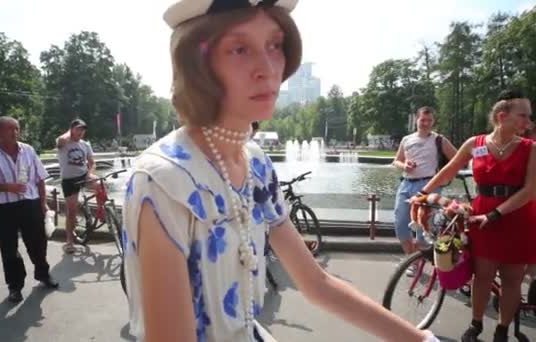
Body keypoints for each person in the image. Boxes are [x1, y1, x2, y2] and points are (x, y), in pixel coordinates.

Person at [121, 1, 439, 341]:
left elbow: (316, 283)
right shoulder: (163, 181)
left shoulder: (255, 161)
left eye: (275, 45)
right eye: (240, 48)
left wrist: (420, 339)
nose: (268, 68)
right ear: (198, 63)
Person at [413, 90, 536, 342]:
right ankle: (476, 324)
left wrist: (494, 214)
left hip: (517, 218)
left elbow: (530, 190)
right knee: (482, 277)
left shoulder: (530, 148)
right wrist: (423, 193)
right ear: (502, 117)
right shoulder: (475, 144)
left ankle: (501, 330)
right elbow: (449, 171)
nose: (529, 122)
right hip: (481, 216)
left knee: (512, 280)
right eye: (523, 116)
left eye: (529, 116)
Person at [0, 116, 58, 304]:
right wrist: (7, 187)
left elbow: (40, 178)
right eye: (10, 129)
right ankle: (15, 286)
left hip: (30, 204)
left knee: (38, 243)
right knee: (9, 249)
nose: (15, 133)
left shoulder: (28, 151)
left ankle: (43, 275)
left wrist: (43, 203)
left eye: (17, 129)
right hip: (4, 208)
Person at [392, 106, 456, 274]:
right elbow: (396, 160)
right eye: (422, 120)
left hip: (428, 186)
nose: (426, 123)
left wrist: (445, 177)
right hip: (406, 184)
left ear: (433, 121)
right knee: (400, 225)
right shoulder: (407, 139)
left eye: (429, 120)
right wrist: (404, 165)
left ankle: (416, 263)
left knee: (422, 229)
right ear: (417, 120)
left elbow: (457, 159)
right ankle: (411, 258)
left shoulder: (439, 140)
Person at [56, 118, 95, 253]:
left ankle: (102, 212)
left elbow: (91, 162)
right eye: (78, 129)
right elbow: (61, 140)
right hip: (69, 180)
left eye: (83, 130)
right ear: (71, 130)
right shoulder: (63, 143)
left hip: (83, 176)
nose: (81, 132)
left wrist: (90, 173)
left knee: (101, 184)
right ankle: (69, 242)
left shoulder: (85, 145)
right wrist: (71, 131)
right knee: (71, 211)